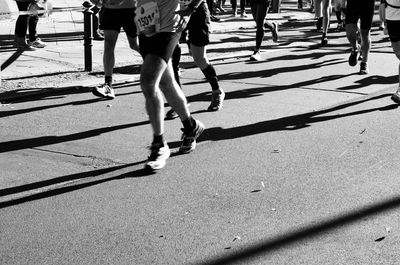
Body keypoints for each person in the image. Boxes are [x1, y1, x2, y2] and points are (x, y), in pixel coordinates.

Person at [136, 0, 205, 170]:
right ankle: (191, 126)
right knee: (167, 83)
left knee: (148, 82)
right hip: (147, 23)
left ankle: (159, 144)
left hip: (168, 26)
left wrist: (191, 8)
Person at [166, 0, 225, 119]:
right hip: (174, 11)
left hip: (196, 10)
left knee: (199, 58)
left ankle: (217, 91)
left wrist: (190, 8)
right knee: (172, 59)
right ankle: (179, 102)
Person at [90, 0, 140, 100]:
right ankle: (108, 85)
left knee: (134, 44)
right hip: (110, 9)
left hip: (131, 9)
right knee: (108, 44)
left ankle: (160, 65)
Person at [345, 0, 375, 74]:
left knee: (365, 33)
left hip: (368, 3)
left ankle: (364, 62)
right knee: (349, 30)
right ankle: (355, 49)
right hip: (353, 2)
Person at [380, 0, 400, 103]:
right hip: (391, 18)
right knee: (397, 52)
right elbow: (382, 2)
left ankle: (399, 91)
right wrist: (384, 22)